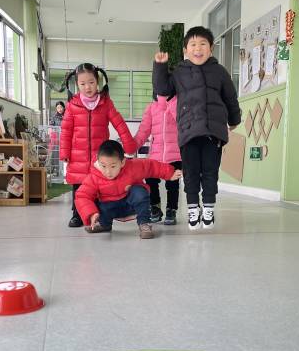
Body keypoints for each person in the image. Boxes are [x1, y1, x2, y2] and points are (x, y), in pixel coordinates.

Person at [153, 26, 241, 230]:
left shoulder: (219, 72)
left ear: (211, 48)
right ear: (185, 50)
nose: (198, 49)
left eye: (203, 44)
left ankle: (208, 207)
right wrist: (160, 66)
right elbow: (163, 89)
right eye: (193, 44)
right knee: (191, 172)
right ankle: (193, 207)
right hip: (188, 132)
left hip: (213, 132)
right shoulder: (179, 72)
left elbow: (230, 98)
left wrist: (234, 119)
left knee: (210, 171)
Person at [60, 63, 137, 227]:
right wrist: (64, 153)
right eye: (82, 84)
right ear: (76, 85)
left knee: (97, 187)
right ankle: (77, 215)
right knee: (79, 188)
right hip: (77, 156)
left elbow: (120, 124)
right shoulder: (73, 105)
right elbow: (66, 130)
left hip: (99, 156)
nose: (87, 87)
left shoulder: (105, 104)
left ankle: (98, 215)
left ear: (98, 82)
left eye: (91, 82)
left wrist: (129, 145)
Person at [74, 140, 182, 239]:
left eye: (113, 166)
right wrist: (91, 213)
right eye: (103, 166)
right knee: (95, 201)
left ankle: (144, 224)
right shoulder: (94, 177)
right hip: (108, 208)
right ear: (98, 162)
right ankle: (104, 224)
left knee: (139, 191)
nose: (108, 172)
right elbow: (82, 196)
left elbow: (151, 166)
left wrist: (169, 173)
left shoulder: (132, 167)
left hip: (130, 205)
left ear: (122, 162)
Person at [134, 94, 182, 225]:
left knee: (173, 185)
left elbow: (183, 124)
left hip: (175, 154)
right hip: (155, 154)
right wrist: (132, 145)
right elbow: (143, 131)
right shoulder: (152, 108)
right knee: (150, 180)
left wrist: (173, 103)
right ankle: (155, 207)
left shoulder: (180, 104)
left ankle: (171, 210)